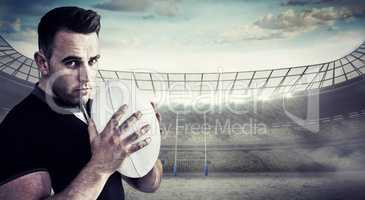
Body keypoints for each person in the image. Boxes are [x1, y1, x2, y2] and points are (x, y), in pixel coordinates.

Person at [0, 6, 162, 200]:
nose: (86, 77)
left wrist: (146, 144)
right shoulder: (19, 127)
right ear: (43, 63)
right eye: (72, 63)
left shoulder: (102, 111)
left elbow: (149, 184)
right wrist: (100, 167)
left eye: (92, 61)